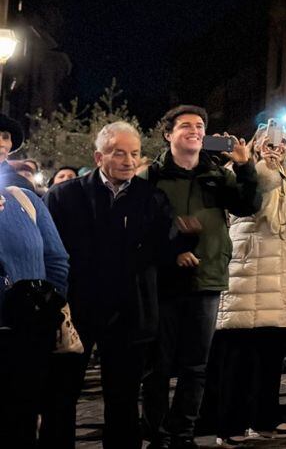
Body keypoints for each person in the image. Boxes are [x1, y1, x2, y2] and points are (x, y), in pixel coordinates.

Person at [42, 123, 184, 449]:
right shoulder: (64, 196)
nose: (128, 160)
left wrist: (183, 239)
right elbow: (51, 253)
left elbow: (162, 251)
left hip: (129, 314)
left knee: (122, 399)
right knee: (62, 396)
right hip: (76, 311)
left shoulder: (151, 198)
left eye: (134, 153)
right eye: (119, 152)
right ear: (99, 156)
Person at [141, 105, 259, 449]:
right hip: (163, 281)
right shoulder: (152, 175)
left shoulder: (216, 174)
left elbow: (247, 205)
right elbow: (141, 229)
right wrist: (171, 250)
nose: (194, 130)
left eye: (200, 126)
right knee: (158, 367)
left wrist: (244, 164)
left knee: (196, 366)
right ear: (168, 134)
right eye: (185, 126)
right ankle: (157, 435)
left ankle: (183, 435)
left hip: (206, 278)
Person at [205, 126, 286, 444]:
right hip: (249, 267)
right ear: (256, 144)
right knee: (238, 354)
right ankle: (230, 425)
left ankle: (265, 416)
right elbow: (247, 205)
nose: (276, 149)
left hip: (281, 267)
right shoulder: (241, 170)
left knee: (271, 352)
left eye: (281, 144)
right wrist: (260, 166)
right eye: (270, 143)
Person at [0, 114, 69, 449]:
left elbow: (57, 259)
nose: (1, 140)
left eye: (5, 136)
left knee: (22, 419)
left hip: (25, 332)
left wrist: (49, 304)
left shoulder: (23, 199)